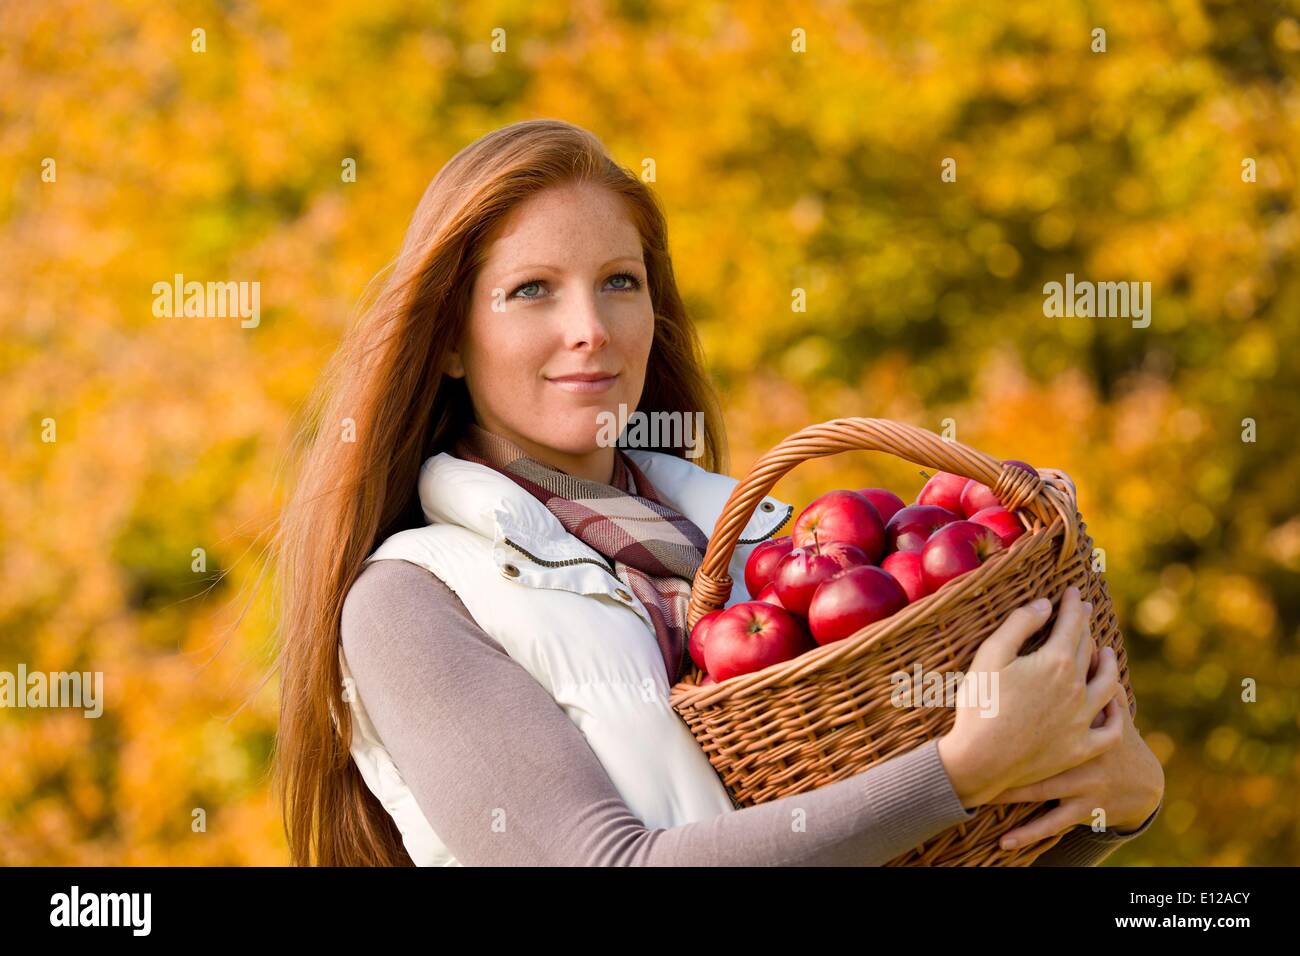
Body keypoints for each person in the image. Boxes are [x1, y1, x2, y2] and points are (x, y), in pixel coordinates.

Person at [273, 118, 1164, 866]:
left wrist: (1113, 802)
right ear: (451, 343)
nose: (590, 330)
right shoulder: (415, 599)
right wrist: (959, 772)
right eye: (530, 291)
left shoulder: (751, 550)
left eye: (619, 283)